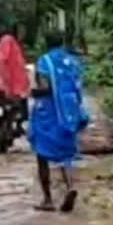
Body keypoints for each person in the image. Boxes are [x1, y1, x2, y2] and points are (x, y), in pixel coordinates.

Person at [29, 30, 88, 213]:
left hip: (48, 112)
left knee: (41, 153)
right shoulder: (72, 61)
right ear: (62, 42)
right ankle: (70, 186)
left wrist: (32, 92)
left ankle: (47, 199)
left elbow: (45, 87)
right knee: (66, 154)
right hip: (69, 114)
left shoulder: (44, 61)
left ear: (46, 42)